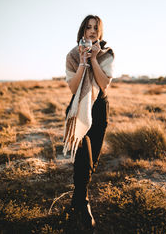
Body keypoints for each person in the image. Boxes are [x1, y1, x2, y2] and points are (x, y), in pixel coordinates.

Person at [63, 14, 114, 230]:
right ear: (82, 31)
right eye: (88, 27)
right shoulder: (72, 56)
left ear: (100, 32)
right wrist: (83, 62)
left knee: (92, 160)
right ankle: (83, 203)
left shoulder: (106, 54)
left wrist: (93, 59)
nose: (92, 31)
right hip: (78, 109)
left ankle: (77, 200)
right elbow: (74, 89)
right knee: (82, 156)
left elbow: (104, 85)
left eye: (95, 28)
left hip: (99, 109)